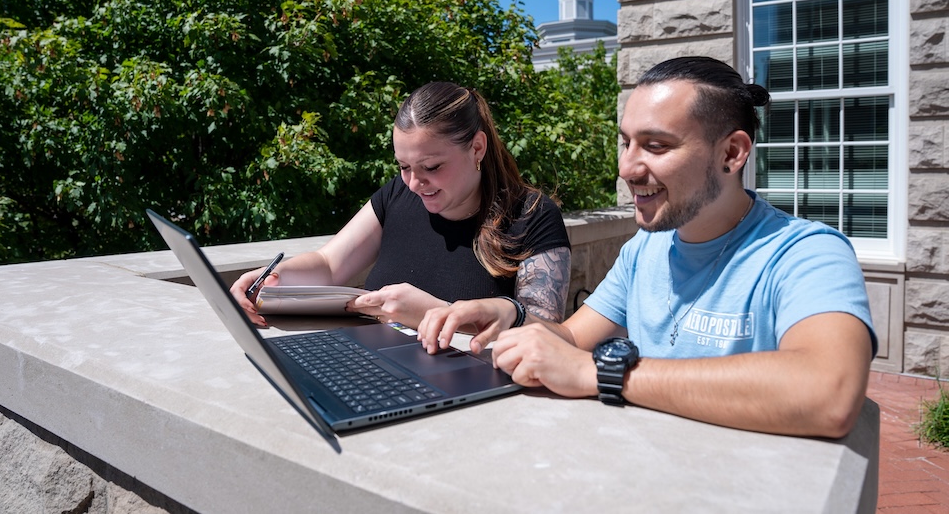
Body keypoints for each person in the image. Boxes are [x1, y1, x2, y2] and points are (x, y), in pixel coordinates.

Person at [418, 57, 877, 439]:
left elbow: (828, 392)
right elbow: (574, 338)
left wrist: (599, 374)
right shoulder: (645, 250)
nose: (627, 168)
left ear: (733, 153)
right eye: (626, 142)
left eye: (656, 146)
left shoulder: (807, 254)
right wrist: (508, 316)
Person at [230, 81, 572, 330]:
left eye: (432, 167)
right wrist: (271, 277)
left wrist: (433, 312)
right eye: (404, 166)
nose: (414, 183)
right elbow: (330, 265)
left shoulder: (532, 216)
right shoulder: (398, 195)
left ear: (477, 148)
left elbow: (545, 333)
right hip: (377, 373)